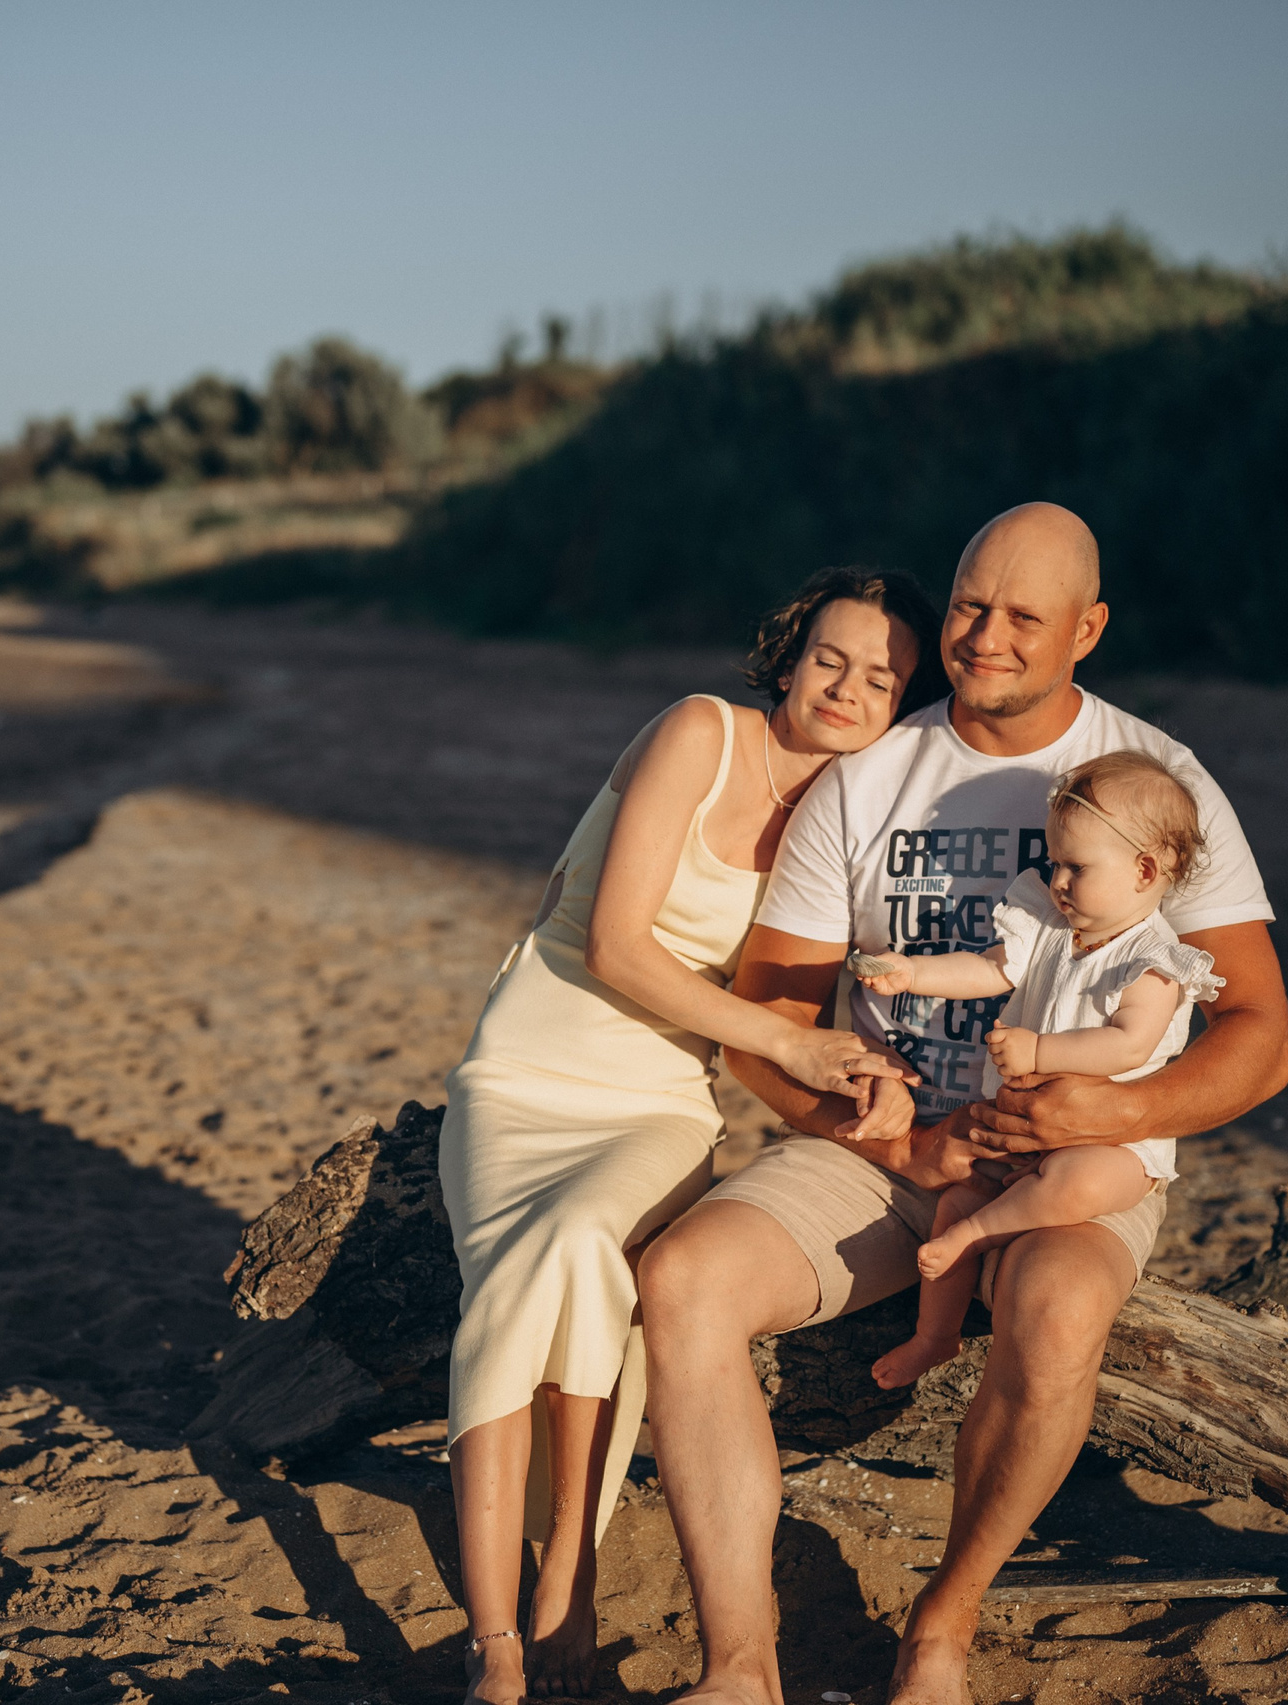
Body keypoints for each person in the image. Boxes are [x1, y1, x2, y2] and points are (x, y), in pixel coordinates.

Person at [637, 502, 1288, 1705]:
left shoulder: (1156, 782)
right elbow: (765, 1021)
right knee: (681, 1278)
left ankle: (942, 1622)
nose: (982, 637)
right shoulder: (870, 774)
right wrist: (870, 1121)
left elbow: (1259, 1039)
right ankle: (737, 1669)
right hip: (882, 1149)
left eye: (1023, 616)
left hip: (1067, 1160)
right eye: (968, 605)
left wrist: (1096, 1115)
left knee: (1049, 1316)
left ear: (1087, 628)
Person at [443, 567, 942, 1704]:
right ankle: (497, 1647)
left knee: (582, 1245)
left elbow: (799, 1008)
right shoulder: (697, 734)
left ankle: (563, 1572)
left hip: (663, 1099)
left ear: (903, 702)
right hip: (526, 1072)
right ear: (787, 654)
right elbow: (618, 947)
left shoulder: (851, 816)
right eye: (831, 658)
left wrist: (866, 1073)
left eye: (881, 677)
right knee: (533, 1269)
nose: (848, 688)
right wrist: (800, 1048)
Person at [854, 750, 1226, 1391]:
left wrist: (1039, 1054)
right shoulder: (1050, 925)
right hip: (1019, 1129)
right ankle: (933, 1336)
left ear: (1144, 869)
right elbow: (991, 969)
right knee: (956, 1195)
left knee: (1078, 1181)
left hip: (1109, 1141)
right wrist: (914, 973)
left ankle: (980, 1231)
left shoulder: (1156, 961)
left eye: (1075, 867)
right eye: (1055, 863)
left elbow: (1129, 1046)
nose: (1056, 880)